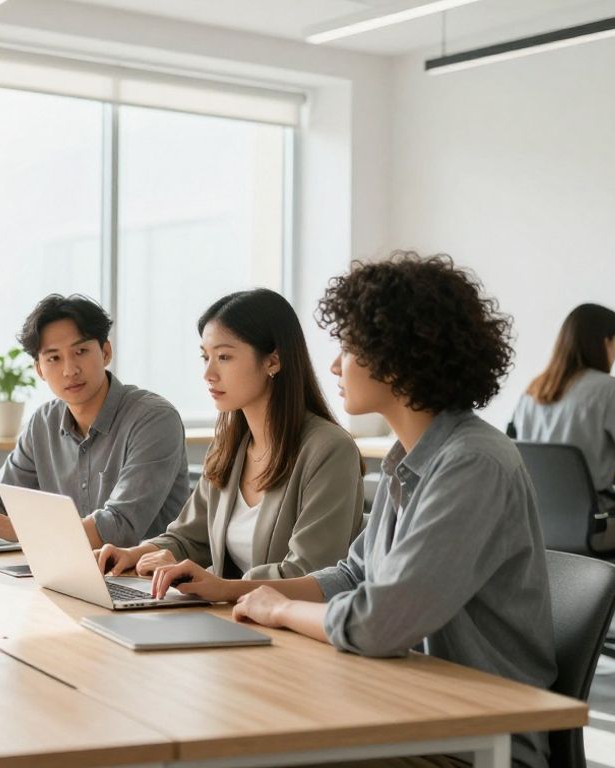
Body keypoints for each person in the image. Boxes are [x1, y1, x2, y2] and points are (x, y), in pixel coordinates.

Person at [147, 253, 557, 768]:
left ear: (401, 357)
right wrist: (234, 590)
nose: (336, 365)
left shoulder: (473, 463)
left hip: (469, 738)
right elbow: (352, 572)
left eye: (350, 348)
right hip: (396, 704)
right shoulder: (410, 457)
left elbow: (379, 622)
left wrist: (280, 609)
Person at [95, 289, 364, 581]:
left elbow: (308, 573)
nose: (208, 373)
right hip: (230, 616)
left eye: (224, 357)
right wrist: (137, 553)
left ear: (273, 361)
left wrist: (221, 587)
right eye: (205, 357)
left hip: (286, 622)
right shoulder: (229, 447)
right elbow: (188, 538)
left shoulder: (330, 450)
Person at [0, 294, 191, 548]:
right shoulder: (43, 421)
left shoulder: (153, 419)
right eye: (53, 358)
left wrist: (24, 528)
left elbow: (120, 526)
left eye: (81, 351)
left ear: (105, 352)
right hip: (69, 570)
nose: (69, 370)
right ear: (39, 369)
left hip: (144, 578)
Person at [510, 303, 615, 551]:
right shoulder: (609, 389)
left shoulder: (534, 390)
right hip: (594, 525)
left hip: (535, 526)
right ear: (603, 342)